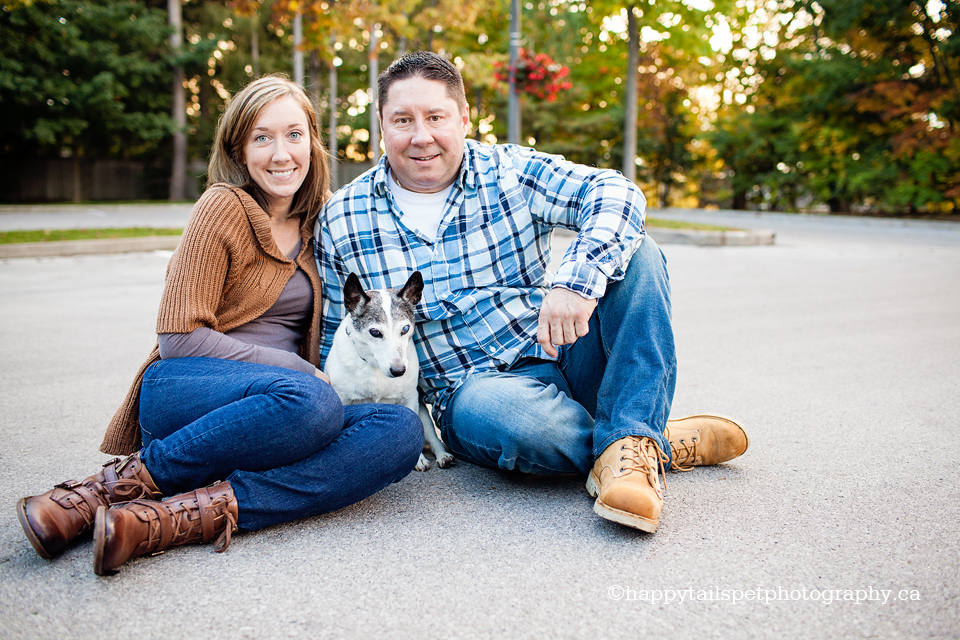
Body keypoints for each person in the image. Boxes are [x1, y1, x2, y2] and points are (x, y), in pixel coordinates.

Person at [316, 52, 748, 533]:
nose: (421, 136)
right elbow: (337, 334)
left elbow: (617, 193)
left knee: (640, 252)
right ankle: (641, 438)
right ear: (381, 125)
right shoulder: (343, 217)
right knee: (522, 426)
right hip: (475, 393)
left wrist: (575, 282)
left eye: (435, 117)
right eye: (402, 120)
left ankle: (631, 441)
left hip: (561, 344)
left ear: (463, 118)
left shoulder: (510, 172)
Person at [16, 75, 424, 575]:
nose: (281, 154)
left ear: (313, 144)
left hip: (279, 413)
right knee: (315, 401)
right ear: (239, 148)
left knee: (401, 432)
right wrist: (296, 369)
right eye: (262, 137)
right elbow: (178, 337)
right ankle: (99, 493)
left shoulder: (321, 224)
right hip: (189, 387)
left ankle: (167, 520)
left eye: (295, 135)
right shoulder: (221, 207)